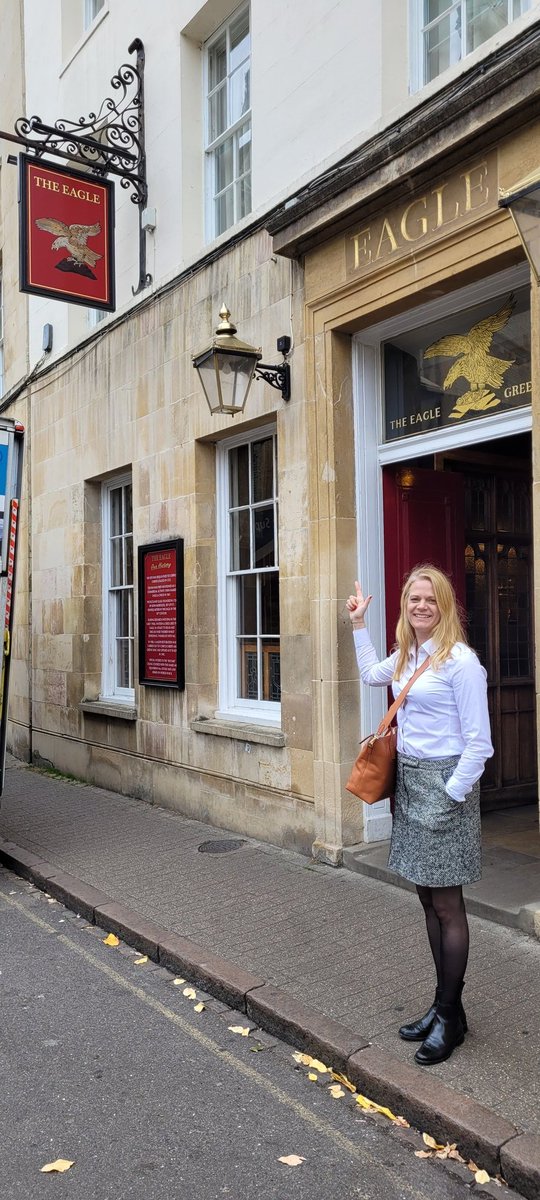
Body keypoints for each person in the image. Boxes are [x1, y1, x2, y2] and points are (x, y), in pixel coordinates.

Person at [346, 565, 493, 1066]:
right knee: (427, 898)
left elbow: (480, 744)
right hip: (410, 784)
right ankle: (443, 1004)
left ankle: (451, 1017)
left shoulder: (461, 663)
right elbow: (370, 676)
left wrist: (449, 796)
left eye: (431, 599)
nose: (421, 606)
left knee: (448, 904)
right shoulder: (409, 655)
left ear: (445, 605)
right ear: (406, 606)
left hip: (445, 789)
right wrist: (359, 625)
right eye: (414, 600)